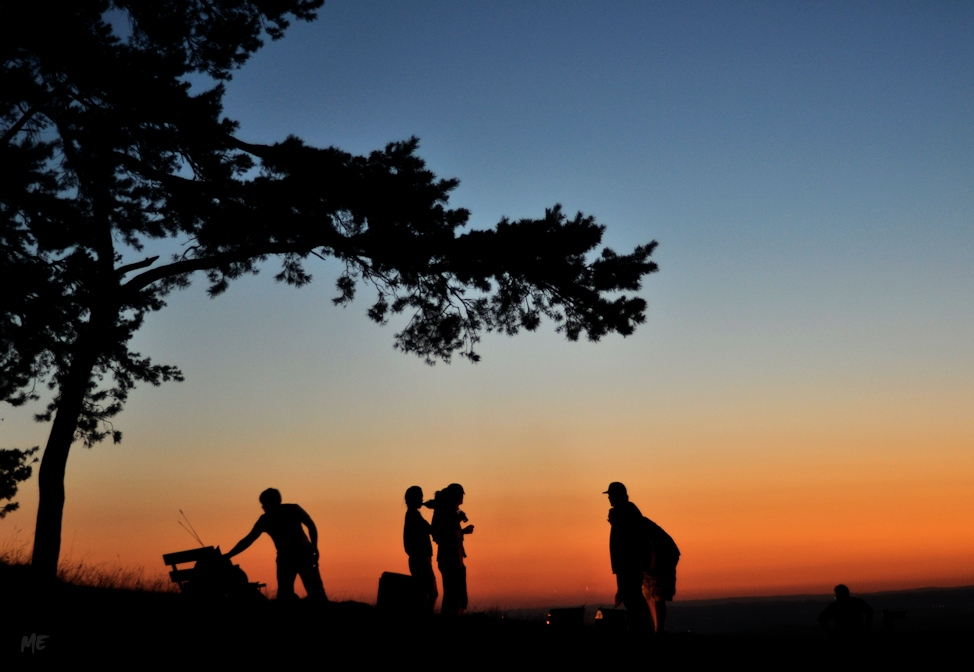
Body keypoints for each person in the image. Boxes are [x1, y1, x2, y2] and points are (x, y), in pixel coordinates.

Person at [225, 488, 328, 601]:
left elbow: (248, 540)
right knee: (291, 593)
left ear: (272, 502)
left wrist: (314, 547)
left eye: (264, 504)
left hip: (299, 555)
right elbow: (248, 540)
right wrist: (314, 547)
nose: (262, 507)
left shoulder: (284, 513)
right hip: (293, 556)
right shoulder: (286, 512)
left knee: (310, 593)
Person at [604, 482, 652, 633]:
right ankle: (640, 630)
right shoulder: (626, 513)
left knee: (634, 601)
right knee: (632, 600)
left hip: (630, 567)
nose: (609, 498)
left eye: (611, 495)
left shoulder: (626, 513)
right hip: (626, 567)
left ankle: (641, 631)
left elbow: (630, 544)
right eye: (609, 495)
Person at [431, 483, 474, 616]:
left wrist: (462, 531)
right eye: (460, 494)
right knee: (452, 594)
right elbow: (444, 535)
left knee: (455, 594)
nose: (462, 497)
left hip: (454, 558)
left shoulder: (449, 513)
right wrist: (462, 530)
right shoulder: (446, 513)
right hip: (451, 559)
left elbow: (450, 534)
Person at [403, 485, 437, 613]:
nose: (422, 499)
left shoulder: (412, 515)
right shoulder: (414, 516)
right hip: (421, 560)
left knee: (424, 593)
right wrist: (436, 510)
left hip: (419, 560)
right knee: (430, 593)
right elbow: (432, 530)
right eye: (420, 497)